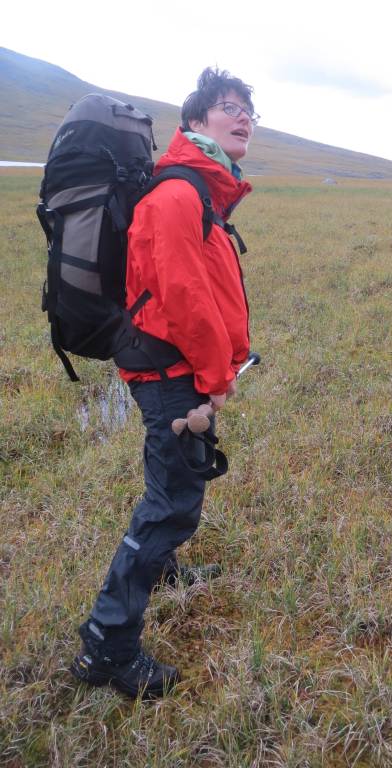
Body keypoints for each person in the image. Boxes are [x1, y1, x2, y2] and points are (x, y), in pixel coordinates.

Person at [70, 68, 258, 698]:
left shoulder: (197, 190)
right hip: (171, 371)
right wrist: (216, 376)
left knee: (171, 484)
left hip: (176, 367)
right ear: (196, 121)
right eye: (229, 107)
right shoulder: (179, 194)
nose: (244, 118)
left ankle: (164, 569)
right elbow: (183, 297)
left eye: (249, 111)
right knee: (170, 505)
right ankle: (107, 645)